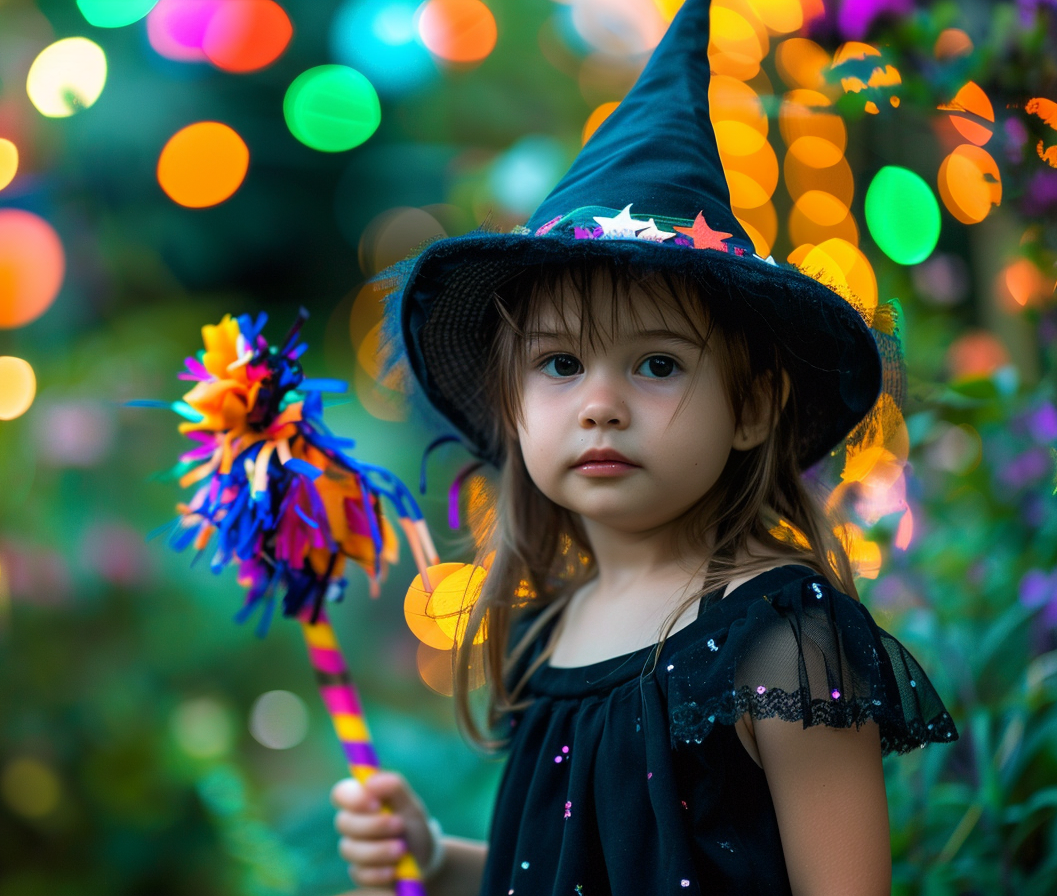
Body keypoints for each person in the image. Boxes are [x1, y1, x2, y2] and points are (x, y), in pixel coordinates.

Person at [329, 0, 959, 893]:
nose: (600, 405)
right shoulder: (550, 627)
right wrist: (435, 861)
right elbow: (551, 875)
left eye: (657, 364)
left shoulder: (778, 641)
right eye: (558, 364)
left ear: (751, 408)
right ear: (513, 407)